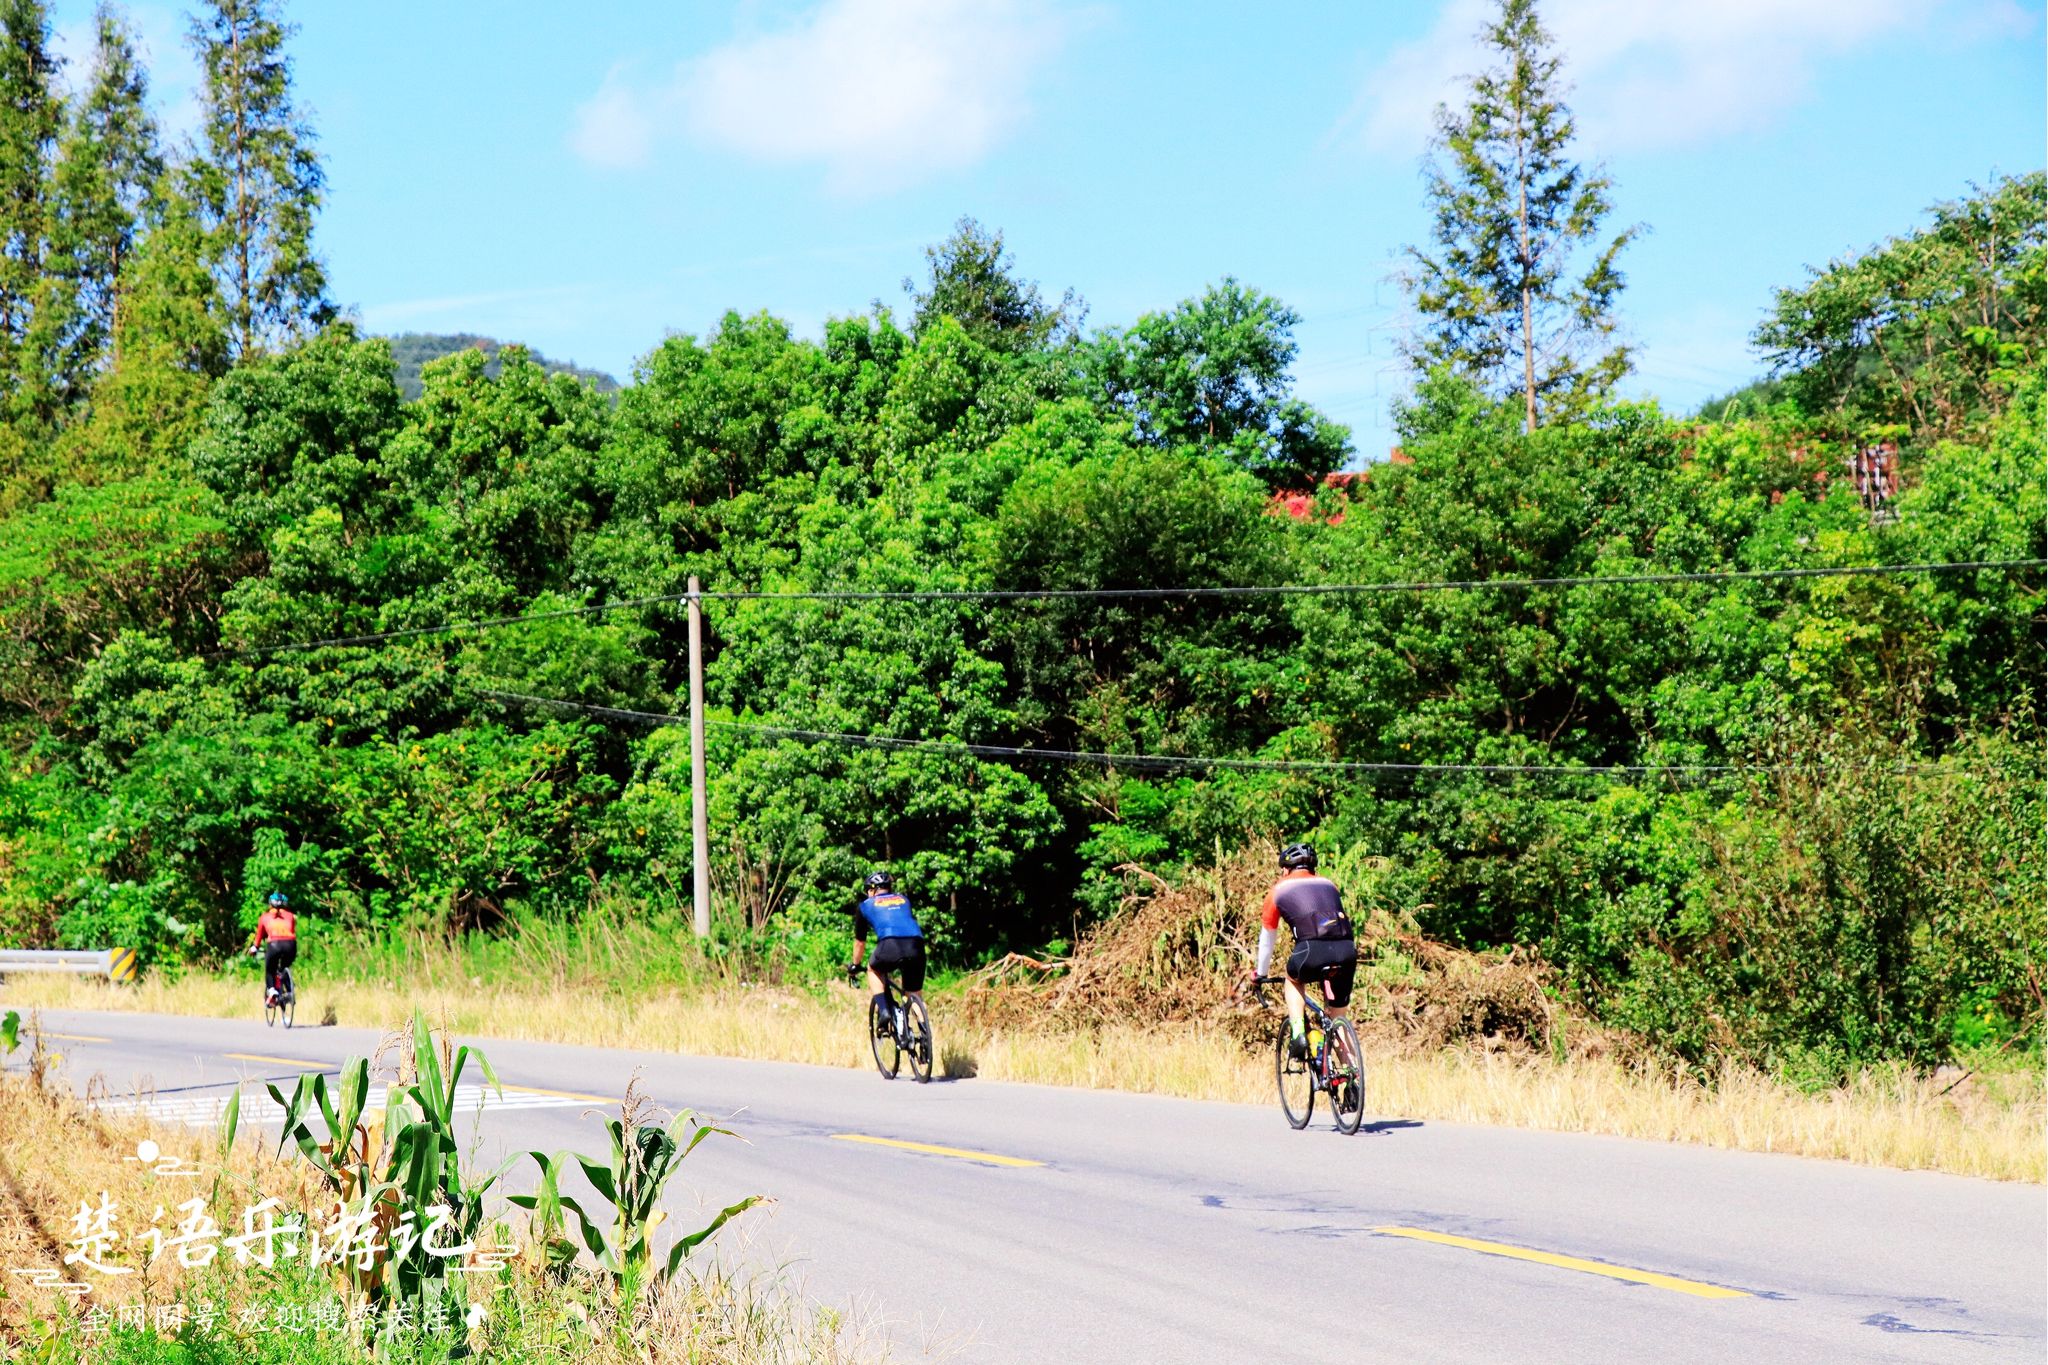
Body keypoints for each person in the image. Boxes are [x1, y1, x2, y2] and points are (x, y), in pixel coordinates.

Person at [1240, 843, 1356, 1059]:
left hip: (1311, 949)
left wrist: (1261, 974)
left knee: (1293, 979)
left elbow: (1267, 938)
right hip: (1347, 950)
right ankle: (1352, 1079)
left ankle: (1299, 1034)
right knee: (1337, 1020)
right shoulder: (1329, 884)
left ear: (1285, 869)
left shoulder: (1278, 890)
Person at [847, 871, 925, 1031]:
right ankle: (925, 1037)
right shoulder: (904, 899)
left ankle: (883, 1011)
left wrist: (855, 965)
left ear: (872, 890)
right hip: (917, 945)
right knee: (914, 995)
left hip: (890, 944)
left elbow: (860, 943)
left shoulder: (865, 905)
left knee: (873, 969)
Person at [250, 892, 297, 1005]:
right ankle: (290, 991)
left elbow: (259, 936)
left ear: (270, 904)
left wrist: (254, 948)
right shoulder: (290, 916)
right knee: (284, 968)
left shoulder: (264, 917)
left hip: (274, 944)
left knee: (270, 969)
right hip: (291, 945)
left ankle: (272, 991)